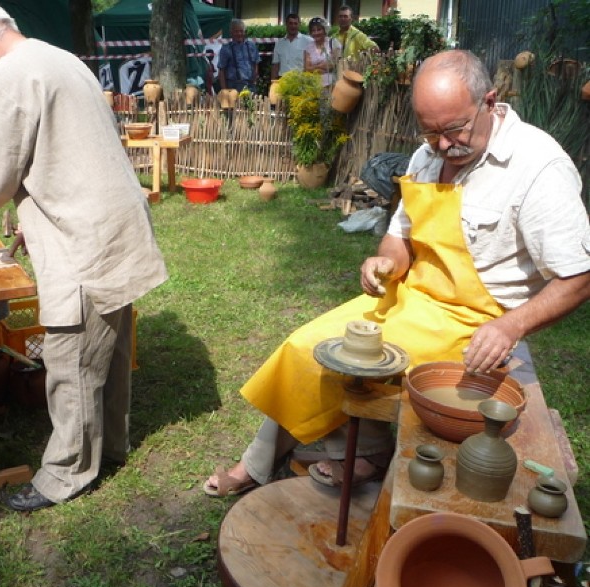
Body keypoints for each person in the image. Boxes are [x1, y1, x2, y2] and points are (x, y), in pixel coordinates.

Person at [204, 49, 590, 496]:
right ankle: (326, 452)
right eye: (430, 132)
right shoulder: (427, 157)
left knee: (355, 366)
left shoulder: (538, 166)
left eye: (454, 128)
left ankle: (318, 457)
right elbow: (399, 237)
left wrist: (510, 326)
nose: (444, 145)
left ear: (490, 100)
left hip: (477, 322)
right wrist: (384, 261)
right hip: (410, 299)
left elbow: (578, 277)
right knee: (308, 346)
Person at [0, 0, 168, 512]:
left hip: (84, 231)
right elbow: (64, 145)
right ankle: (109, 447)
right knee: (108, 342)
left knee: (72, 357)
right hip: (109, 219)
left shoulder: (10, 74)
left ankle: (65, 475)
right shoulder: (57, 57)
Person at [218, 19, 260, 92]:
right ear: (231, 33)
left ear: (244, 32)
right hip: (233, 86)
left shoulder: (251, 46)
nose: (239, 33)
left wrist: (255, 81)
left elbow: (255, 63)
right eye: (236, 31)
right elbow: (222, 70)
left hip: (250, 85)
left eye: (241, 31)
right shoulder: (226, 48)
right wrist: (224, 90)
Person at [304, 17, 341, 88]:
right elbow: (307, 69)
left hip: (332, 85)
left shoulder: (333, 43)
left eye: (319, 29)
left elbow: (334, 64)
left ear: (325, 30)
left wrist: (314, 68)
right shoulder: (308, 47)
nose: (316, 33)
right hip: (314, 86)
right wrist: (320, 66)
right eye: (313, 30)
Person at [271, 14, 310, 80]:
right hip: (283, 80)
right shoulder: (279, 43)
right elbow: (275, 65)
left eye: (295, 23)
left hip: (301, 80)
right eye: (290, 23)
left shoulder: (308, 41)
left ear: (299, 24)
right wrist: (272, 84)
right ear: (286, 24)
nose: (293, 26)